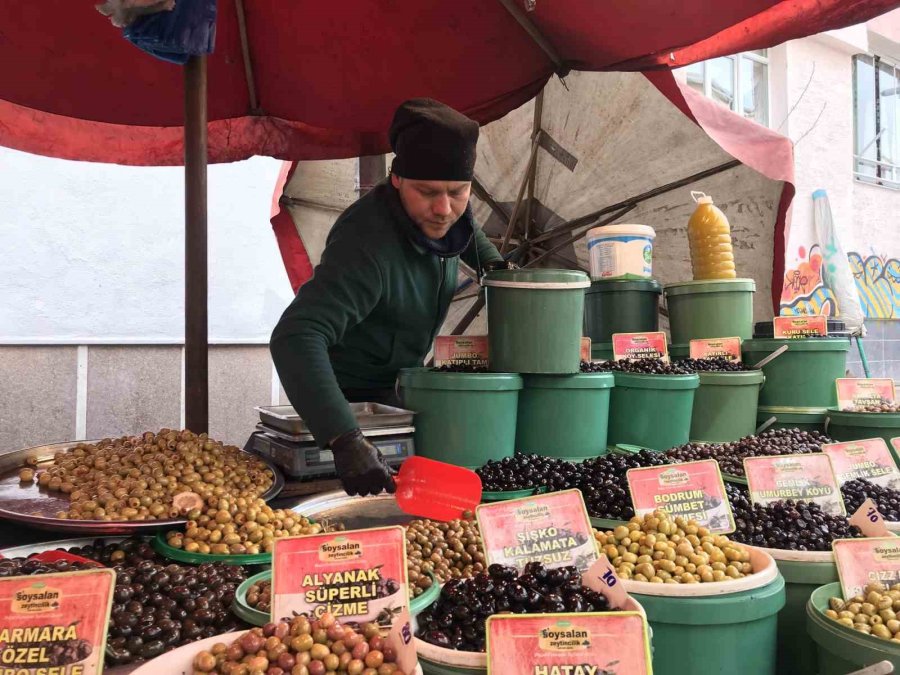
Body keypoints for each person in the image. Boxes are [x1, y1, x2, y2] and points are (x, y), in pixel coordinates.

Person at [270, 98, 507, 498]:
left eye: (458, 191)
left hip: (402, 390)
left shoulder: (449, 211)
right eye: (428, 192)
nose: (443, 209)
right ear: (396, 179)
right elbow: (295, 336)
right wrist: (343, 439)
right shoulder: (365, 244)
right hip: (346, 403)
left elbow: (465, 228)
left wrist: (497, 268)